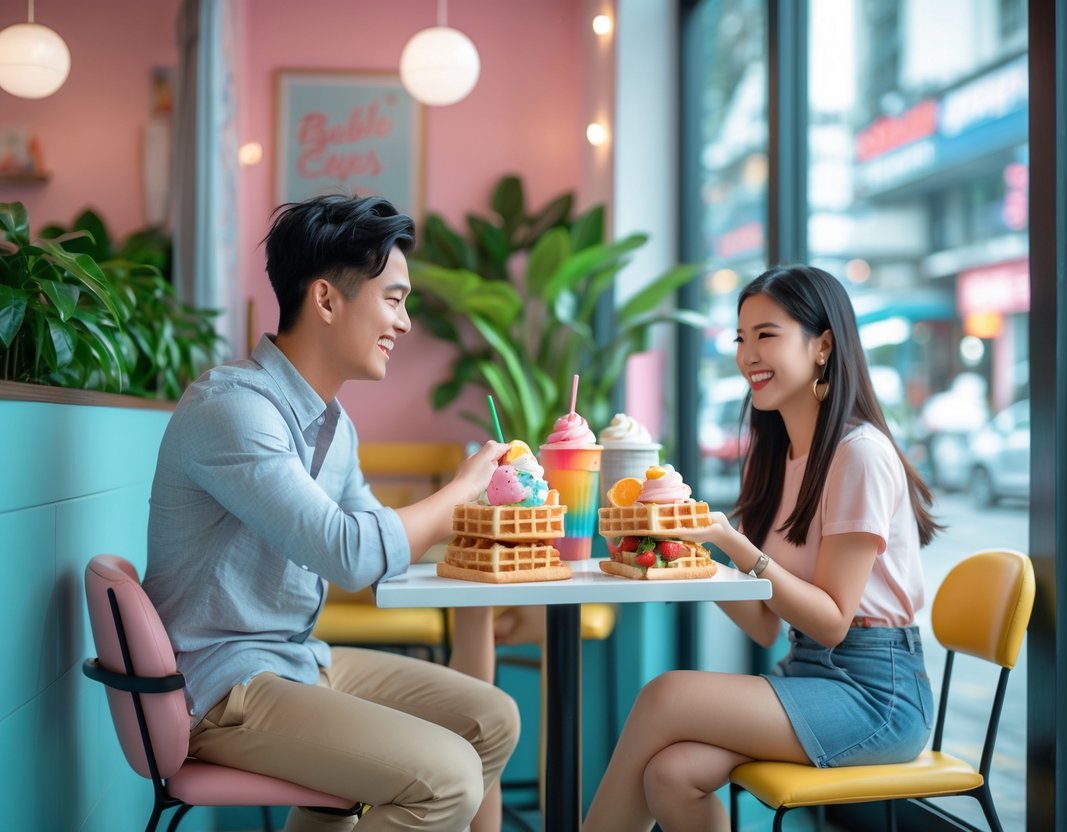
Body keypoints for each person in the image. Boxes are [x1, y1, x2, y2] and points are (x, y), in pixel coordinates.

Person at [143, 194, 520, 832]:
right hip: (222, 686)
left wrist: (485, 529)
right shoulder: (233, 410)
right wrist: (460, 489)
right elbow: (351, 555)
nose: (403, 323)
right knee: (447, 778)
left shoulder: (332, 426)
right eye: (395, 300)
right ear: (325, 299)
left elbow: (381, 554)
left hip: (294, 657)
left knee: (492, 719)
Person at [583, 265, 942, 832]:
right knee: (671, 774)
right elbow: (761, 623)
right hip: (808, 673)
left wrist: (733, 542)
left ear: (823, 345)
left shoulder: (860, 455)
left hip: (879, 695)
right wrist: (684, 549)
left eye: (766, 335)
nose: (748, 354)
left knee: (665, 695)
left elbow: (830, 622)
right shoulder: (776, 458)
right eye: (740, 339)